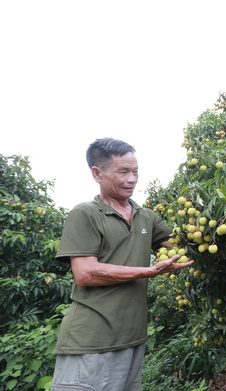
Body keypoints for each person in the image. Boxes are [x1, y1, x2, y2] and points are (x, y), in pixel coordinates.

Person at [51, 138, 193, 391]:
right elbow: (85, 273)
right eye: (123, 172)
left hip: (133, 339)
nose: (132, 179)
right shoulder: (86, 213)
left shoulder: (146, 216)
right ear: (97, 173)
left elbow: (184, 247)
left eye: (135, 171)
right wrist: (149, 271)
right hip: (91, 340)